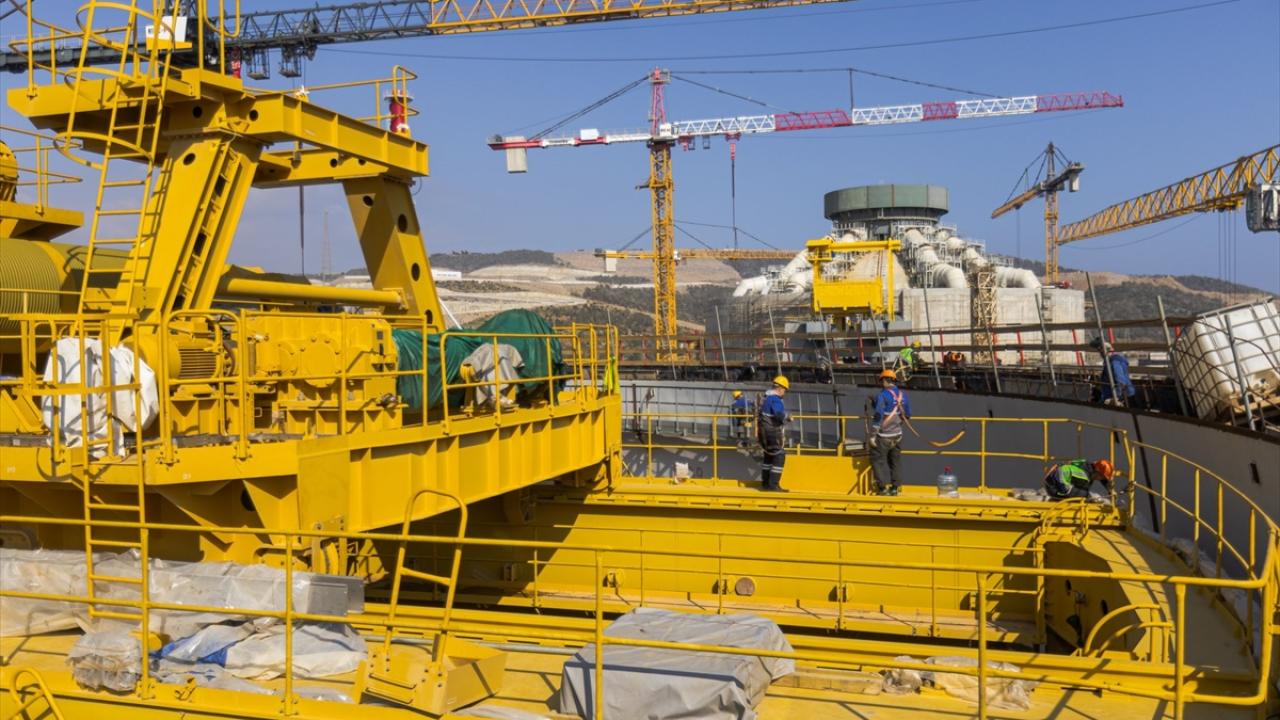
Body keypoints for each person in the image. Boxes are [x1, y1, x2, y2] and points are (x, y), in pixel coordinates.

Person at [869, 369, 910, 496]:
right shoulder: (903, 396)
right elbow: (907, 415)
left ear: (885, 381)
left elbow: (878, 415)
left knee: (877, 460)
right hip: (898, 435)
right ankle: (895, 488)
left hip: (884, 436)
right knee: (895, 461)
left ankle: (882, 488)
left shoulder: (882, 395)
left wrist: (873, 435)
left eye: (882, 381)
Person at [756, 375, 790, 492]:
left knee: (768, 455)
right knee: (779, 455)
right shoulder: (775, 400)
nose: (784, 393)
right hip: (772, 432)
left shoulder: (765, 398)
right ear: (780, 388)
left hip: (763, 432)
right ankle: (773, 485)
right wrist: (787, 417)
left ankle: (765, 483)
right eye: (784, 390)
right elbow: (778, 414)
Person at [1093, 339, 1136, 407]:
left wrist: (1116, 398)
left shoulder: (1114, 362)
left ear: (1107, 351)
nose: (1101, 355)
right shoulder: (1114, 360)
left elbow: (1120, 380)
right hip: (1120, 394)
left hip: (1121, 397)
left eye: (1101, 352)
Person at [1043, 458, 1114, 500]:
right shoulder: (1084, 476)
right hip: (1053, 486)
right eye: (1102, 477)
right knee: (1085, 495)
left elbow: (1101, 476)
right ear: (1097, 472)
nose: (1101, 479)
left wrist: (1110, 490)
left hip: (1053, 478)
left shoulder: (1087, 465)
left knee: (1085, 494)